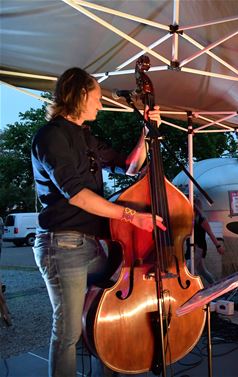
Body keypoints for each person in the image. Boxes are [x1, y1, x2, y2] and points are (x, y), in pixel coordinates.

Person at [30, 67, 165, 377]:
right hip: (61, 244)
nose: (101, 105)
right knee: (67, 332)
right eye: (98, 98)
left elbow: (130, 167)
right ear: (80, 95)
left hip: (90, 244)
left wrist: (146, 133)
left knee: (108, 313)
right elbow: (76, 194)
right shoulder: (51, 136)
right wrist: (132, 216)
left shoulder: (86, 136)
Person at [191, 197, 225, 285]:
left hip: (199, 247)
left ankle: (197, 290)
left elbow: (210, 233)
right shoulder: (192, 218)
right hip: (193, 247)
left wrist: (218, 246)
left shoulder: (202, 219)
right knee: (202, 271)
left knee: (191, 269)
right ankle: (215, 286)